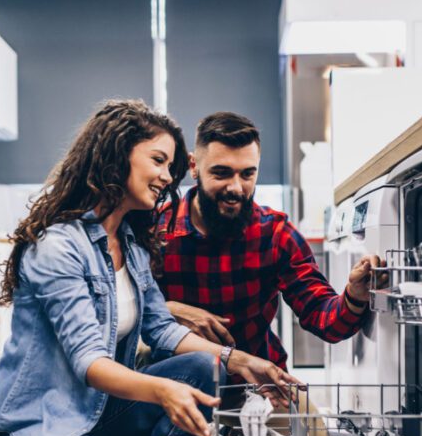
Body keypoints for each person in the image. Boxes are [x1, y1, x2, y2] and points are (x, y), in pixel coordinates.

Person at [0, 100, 295, 436]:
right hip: (33, 428)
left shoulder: (129, 241)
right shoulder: (58, 246)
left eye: (171, 165)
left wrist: (239, 360)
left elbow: (161, 327)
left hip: (95, 415)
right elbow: (90, 363)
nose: (169, 177)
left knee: (205, 367)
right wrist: (164, 389)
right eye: (158, 160)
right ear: (116, 154)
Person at [156, 112, 384, 377]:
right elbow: (121, 313)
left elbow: (325, 320)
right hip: (174, 385)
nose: (236, 188)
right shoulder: (155, 231)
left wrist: (354, 296)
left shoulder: (276, 235)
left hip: (259, 383)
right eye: (221, 173)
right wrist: (167, 311)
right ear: (193, 166)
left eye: (247, 174)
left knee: (311, 419)